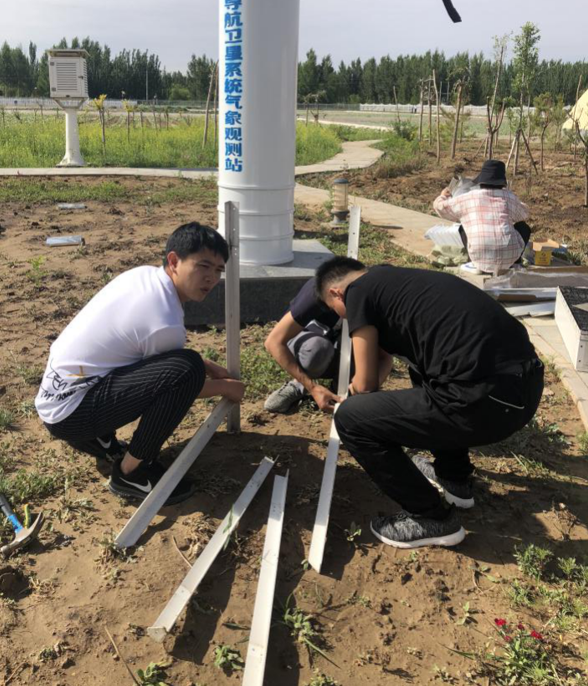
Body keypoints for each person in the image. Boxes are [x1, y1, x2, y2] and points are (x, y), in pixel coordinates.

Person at [315, 257, 543, 549]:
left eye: (336, 310)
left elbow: (366, 383)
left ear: (336, 293)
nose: (344, 318)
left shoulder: (356, 291)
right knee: (422, 368)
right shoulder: (392, 280)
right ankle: (454, 479)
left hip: (484, 401)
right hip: (524, 389)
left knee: (350, 419)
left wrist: (354, 396)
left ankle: (430, 516)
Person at [34, 222, 245, 503]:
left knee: (188, 364)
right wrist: (224, 387)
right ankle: (131, 472)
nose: (211, 278)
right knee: (187, 368)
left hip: (55, 401)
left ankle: (100, 439)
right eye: (203, 266)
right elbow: (180, 382)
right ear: (174, 261)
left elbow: (150, 355)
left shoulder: (143, 276)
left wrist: (208, 366)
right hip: (72, 416)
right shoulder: (164, 321)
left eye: (218, 270)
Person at [263, 278, 393, 413]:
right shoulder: (317, 291)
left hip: (340, 347)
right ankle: (298, 385)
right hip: (308, 345)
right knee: (318, 349)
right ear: (336, 294)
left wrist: (366, 392)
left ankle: (337, 390)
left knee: (365, 351)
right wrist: (312, 388)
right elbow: (273, 342)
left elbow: (385, 357)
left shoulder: (371, 301)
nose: (355, 311)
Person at [433, 159, 531, 275]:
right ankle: (515, 262)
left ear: (481, 181)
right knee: (523, 227)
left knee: (463, 227)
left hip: (480, 256)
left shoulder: (469, 197)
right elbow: (524, 214)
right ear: (502, 182)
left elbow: (440, 207)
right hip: (510, 257)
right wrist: (514, 201)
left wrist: (443, 196)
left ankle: (475, 263)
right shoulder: (508, 197)